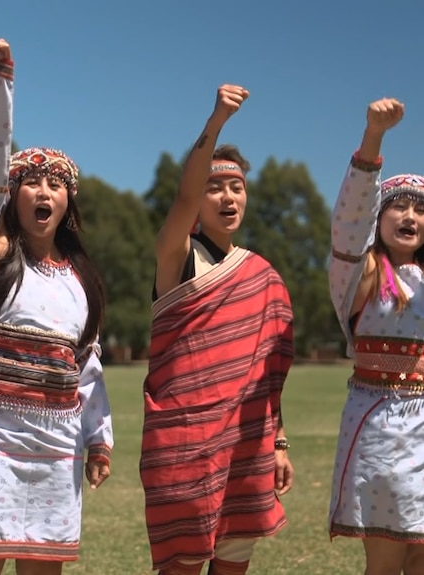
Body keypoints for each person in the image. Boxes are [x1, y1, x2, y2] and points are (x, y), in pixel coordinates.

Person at [0, 38, 113, 575]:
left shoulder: (81, 282)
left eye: (56, 185)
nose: (43, 191)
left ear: (67, 204)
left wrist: (98, 438)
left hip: (56, 442)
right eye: (31, 180)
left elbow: (88, 365)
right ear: (13, 195)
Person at [141, 85, 294, 575]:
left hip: (248, 446)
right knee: (182, 564)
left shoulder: (262, 275)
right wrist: (216, 122)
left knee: (233, 561)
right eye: (215, 187)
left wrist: (279, 442)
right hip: (186, 446)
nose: (227, 196)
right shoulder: (177, 254)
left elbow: (268, 375)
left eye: (236, 187)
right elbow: (185, 193)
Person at [328, 98, 424, 575]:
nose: (410, 215)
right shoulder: (360, 274)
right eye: (398, 206)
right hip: (380, 426)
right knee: (387, 560)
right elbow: (349, 224)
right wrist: (373, 138)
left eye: (420, 209)